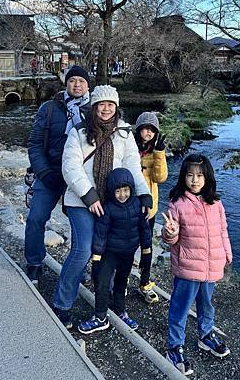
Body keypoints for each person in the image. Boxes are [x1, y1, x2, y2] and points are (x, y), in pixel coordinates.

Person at [52, 84, 152, 329]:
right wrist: (89, 195)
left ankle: (104, 300)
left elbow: (132, 168)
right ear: (94, 106)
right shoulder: (79, 132)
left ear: (116, 107)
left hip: (111, 203)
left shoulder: (125, 134)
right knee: (83, 251)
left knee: (108, 251)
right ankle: (62, 303)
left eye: (110, 104)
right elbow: (70, 166)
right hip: (81, 201)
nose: (106, 109)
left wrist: (144, 194)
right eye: (101, 104)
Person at [162, 153, 232, 376]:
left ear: (207, 177)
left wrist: (227, 255)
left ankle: (206, 334)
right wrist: (170, 232)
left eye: (200, 175)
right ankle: (174, 346)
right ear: (183, 177)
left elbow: (222, 231)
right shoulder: (177, 203)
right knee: (180, 307)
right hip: (188, 267)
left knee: (207, 304)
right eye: (190, 175)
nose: (195, 180)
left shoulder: (216, 203)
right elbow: (170, 239)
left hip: (211, 266)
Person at [25, 66, 91, 285]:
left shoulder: (94, 110)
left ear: (88, 85)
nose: (77, 85)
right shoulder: (50, 108)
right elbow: (34, 143)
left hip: (80, 177)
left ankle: (78, 266)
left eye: (81, 81)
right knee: (36, 219)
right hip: (50, 173)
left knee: (80, 227)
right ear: (66, 83)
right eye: (73, 80)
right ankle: (34, 261)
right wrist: (43, 172)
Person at [78, 168, 151, 334]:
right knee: (102, 283)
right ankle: (100, 316)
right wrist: (96, 256)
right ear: (112, 191)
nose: (122, 195)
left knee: (121, 282)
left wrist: (147, 250)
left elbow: (144, 229)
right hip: (109, 253)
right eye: (118, 191)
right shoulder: (108, 208)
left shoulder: (137, 206)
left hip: (128, 253)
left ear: (131, 189)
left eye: (126, 190)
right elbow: (100, 232)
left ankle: (120, 311)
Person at [134, 111, 168, 303]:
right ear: (139, 129)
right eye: (146, 128)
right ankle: (119, 280)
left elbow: (161, 178)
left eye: (153, 130)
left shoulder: (156, 152)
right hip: (129, 207)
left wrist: (160, 154)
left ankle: (144, 282)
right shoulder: (129, 147)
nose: (149, 132)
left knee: (147, 247)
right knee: (126, 246)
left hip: (148, 210)